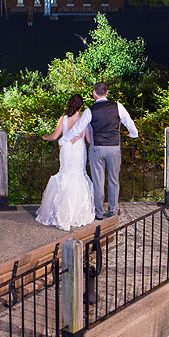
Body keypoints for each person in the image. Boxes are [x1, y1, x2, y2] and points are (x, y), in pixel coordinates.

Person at [61, 82, 138, 220]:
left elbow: (77, 129)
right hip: (114, 148)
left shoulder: (90, 111)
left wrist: (63, 140)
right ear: (107, 93)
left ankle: (99, 212)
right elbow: (129, 122)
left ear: (94, 94)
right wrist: (133, 134)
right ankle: (113, 211)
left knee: (98, 181)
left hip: (97, 149)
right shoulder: (118, 106)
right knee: (114, 180)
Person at [34, 94, 96, 231]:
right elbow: (89, 140)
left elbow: (55, 136)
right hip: (79, 149)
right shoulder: (84, 119)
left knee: (65, 175)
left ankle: (59, 212)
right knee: (78, 175)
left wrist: (45, 137)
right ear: (81, 106)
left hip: (66, 149)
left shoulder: (64, 119)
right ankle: (78, 213)